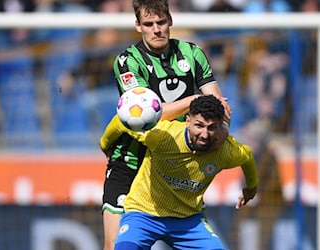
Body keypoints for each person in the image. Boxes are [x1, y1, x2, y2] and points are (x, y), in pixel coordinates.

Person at [102, 1, 231, 249]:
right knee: (115, 245)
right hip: (131, 163)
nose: (156, 29)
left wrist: (219, 126)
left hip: (173, 166)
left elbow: (220, 109)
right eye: (149, 24)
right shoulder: (127, 61)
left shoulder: (192, 53)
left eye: (161, 22)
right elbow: (147, 115)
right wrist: (195, 101)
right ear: (138, 26)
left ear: (170, 20)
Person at [100, 95, 258, 249]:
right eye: (199, 125)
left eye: (212, 128)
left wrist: (251, 187)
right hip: (143, 214)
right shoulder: (163, 136)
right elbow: (123, 121)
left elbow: (247, 156)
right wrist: (104, 143)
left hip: (188, 222)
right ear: (188, 120)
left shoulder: (225, 151)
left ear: (220, 128)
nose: (204, 134)